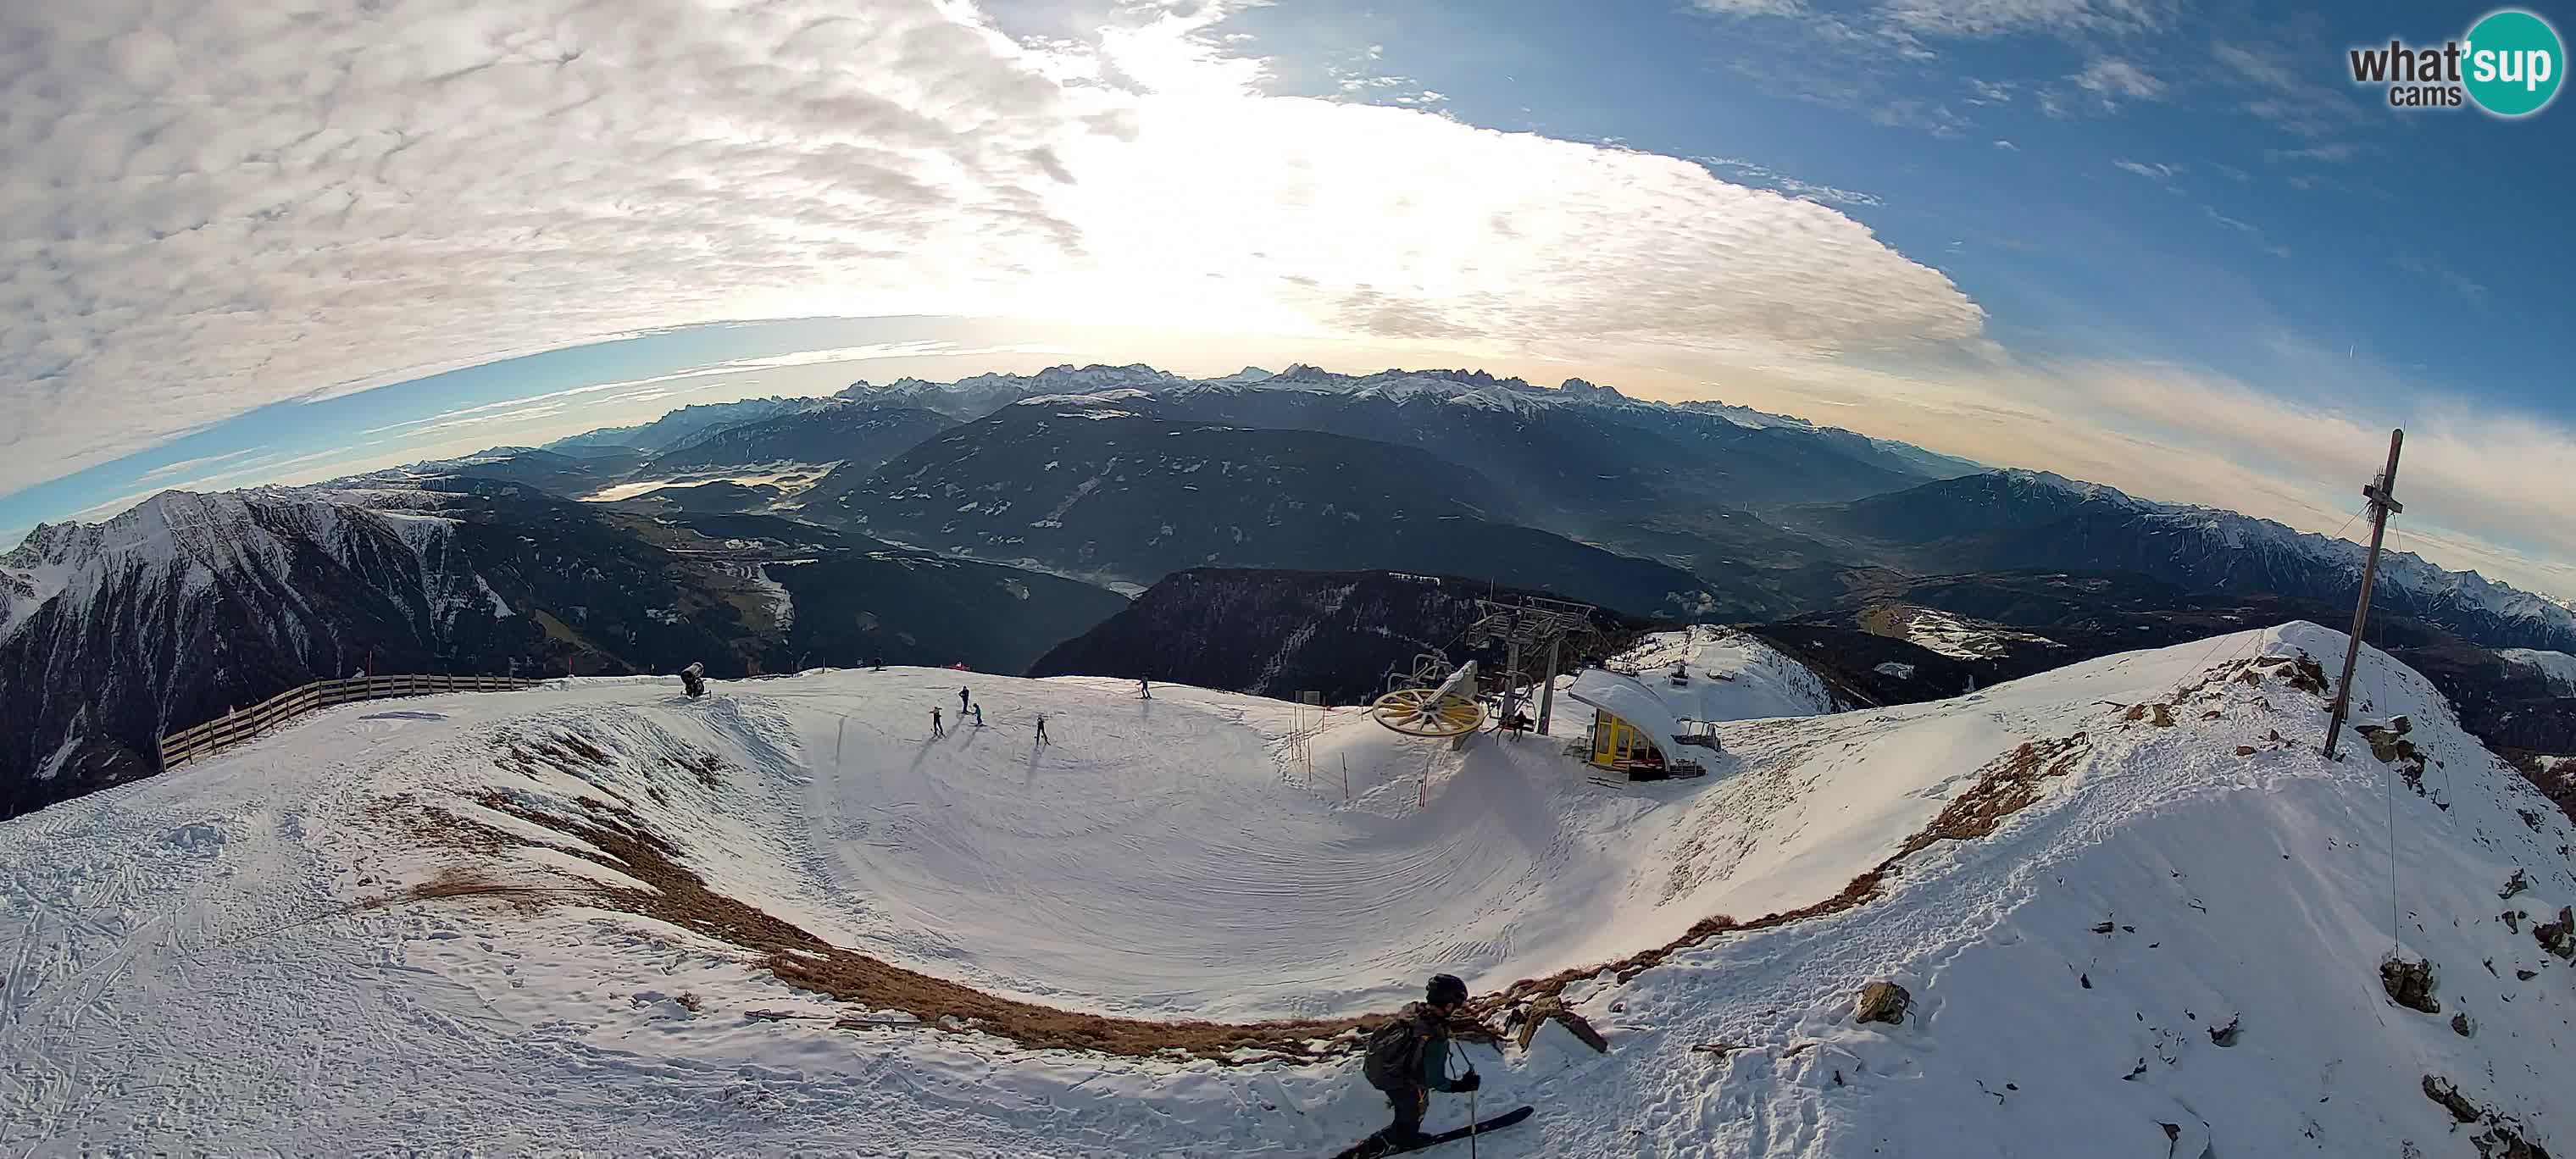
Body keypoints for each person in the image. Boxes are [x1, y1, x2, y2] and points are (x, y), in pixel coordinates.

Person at [1360, 974, 1480, 1151]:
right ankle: (1374, 1147)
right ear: (1448, 1005)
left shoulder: (1414, 1011)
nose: (1457, 1010)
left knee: (1415, 1105)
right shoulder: (1435, 1037)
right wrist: (1462, 1085)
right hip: (1398, 1079)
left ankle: (1407, 1136)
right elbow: (1436, 1081)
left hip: (1381, 1068)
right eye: (1456, 1006)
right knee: (1408, 1119)